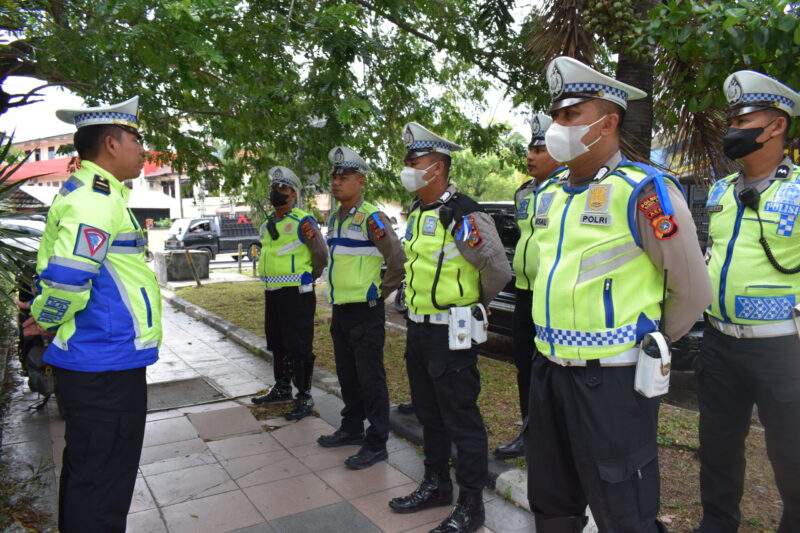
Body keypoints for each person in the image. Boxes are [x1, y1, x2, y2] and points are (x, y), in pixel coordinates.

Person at [525, 56, 712, 533]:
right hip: (549, 371)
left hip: (611, 383)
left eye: (570, 115)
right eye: (556, 115)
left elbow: (691, 291)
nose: (556, 126)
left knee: (623, 511)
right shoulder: (549, 196)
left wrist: (643, 341)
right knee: (551, 500)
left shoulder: (644, 191)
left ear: (608, 123)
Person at [16, 96, 162, 532]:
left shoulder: (100, 194)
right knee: (101, 480)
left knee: (96, 475)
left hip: (106, 359)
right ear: (112, 144)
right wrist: (48, 316)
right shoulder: (97, 200)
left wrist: (47, 313)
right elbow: (69, 274)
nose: (142, 149)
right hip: (104, 364)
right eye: (137, 139)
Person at [387, 122, 512, 533]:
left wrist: (474, 306)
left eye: (414, 162)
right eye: (407, 162)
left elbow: (497, 268)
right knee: (429, 416)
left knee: (461, 419)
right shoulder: (421, 212)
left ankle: (471, 506)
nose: (407, 168)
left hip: (452, 333)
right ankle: (436, 485)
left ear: (437, 168)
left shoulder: (461, 212)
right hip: (420, 331)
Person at [694, 71, 800, 533]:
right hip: (719, 344)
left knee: (791, 456)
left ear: (776, 126)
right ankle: (717, 526)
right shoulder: (720, 191)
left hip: (784, 351)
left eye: (742, 118)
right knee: (717, 448)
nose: (731, 128)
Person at [316, 146, 406, 470]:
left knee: (371, 379)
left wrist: (380, 293)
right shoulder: (335, 218)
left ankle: (377, 442)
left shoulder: (372, 218)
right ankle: (351, 427)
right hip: (341, 309)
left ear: (360, 180)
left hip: (365, 311)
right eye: (334, 177)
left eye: (344, 177)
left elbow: (397, 260)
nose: (336, 182)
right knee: (348, 375)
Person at [494, 113, 561, 459]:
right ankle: (529, 431)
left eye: (540, 148)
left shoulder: (571, 188)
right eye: (530, 148)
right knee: (525, 366)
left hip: (556, 296)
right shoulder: (523, 193)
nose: (530, 156)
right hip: (524, 292)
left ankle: (554, 439)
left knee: (553, 372)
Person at [251, 166, 327, 420]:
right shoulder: (267, 223)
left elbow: (320, 254)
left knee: (299, 346)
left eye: (282, 189)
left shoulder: (302, 221)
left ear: (293, 195)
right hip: (273, 291)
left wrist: (309, 277)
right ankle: (282, 387)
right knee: (277, 342)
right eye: (274, 188)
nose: (277, 193)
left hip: (297, 292)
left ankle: (304, 395)